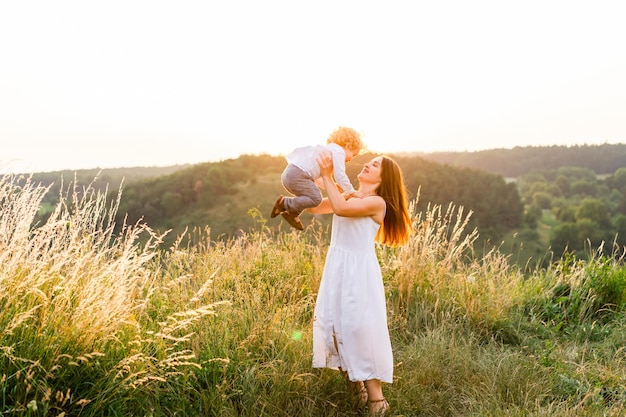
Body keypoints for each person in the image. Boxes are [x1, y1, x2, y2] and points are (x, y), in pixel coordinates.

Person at [307, 152, 412, 416]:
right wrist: (306, 180)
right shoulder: (351, 195)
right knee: (334, 324)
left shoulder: (377, 202)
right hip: (338, 268)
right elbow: (316, 207)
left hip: (359, 272)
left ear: (383, 178)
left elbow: (340, 209)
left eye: (375, 165)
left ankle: (376, 399)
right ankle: (356, 386)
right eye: (369, 161)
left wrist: (330, 177)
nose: (367, 164)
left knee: (359, 328)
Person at [270, 126, 364, 230]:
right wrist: (351, 191)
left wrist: (332, 186)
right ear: (348, 145)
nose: (351, 159)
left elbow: (317, 178)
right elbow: (340, 175)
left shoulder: (328, 150)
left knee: (309, 196)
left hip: (290, 174)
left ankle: (292, 213)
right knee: (316, 199)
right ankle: (285, 203)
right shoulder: (339, 152)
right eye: (353, 154)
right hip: (298, 175)